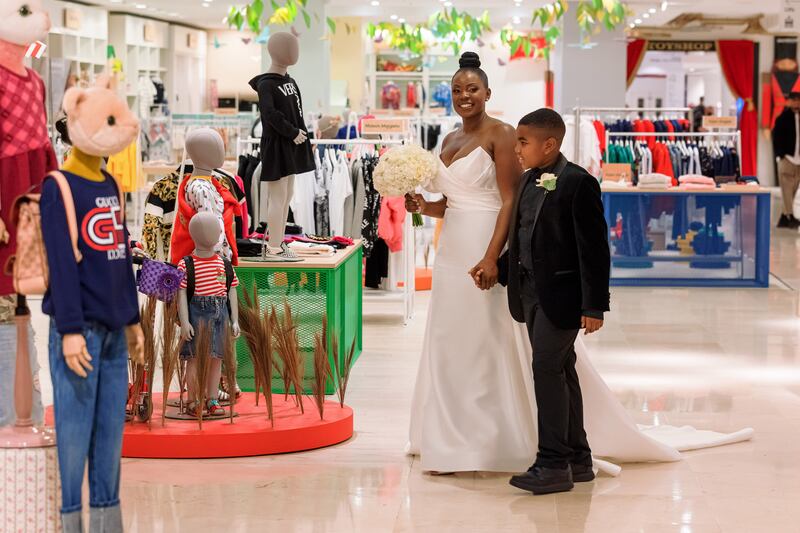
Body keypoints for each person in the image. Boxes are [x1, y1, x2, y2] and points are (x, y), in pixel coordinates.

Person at [405, 51, 754, 490]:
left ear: (489, 93)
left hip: (503, 257)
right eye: (457, 89)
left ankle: (531, 451)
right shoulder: (452, 142)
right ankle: (469, 437)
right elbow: (460, 202)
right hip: (461, 251)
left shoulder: (518, 145)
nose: (464, 96)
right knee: (460, 342)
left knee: (524, 356)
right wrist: (424, 206)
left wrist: (498, 256)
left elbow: (521, 209)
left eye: (472, 88)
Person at [500, 109, 609, 495]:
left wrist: (594, 305)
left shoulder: (579, 182)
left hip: (562, 297)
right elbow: (525, 237)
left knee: (546, 369)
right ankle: (578, 460)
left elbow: (594, 250)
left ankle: (552, 464)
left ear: (550, 144)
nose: (517, 148)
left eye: (524, 142)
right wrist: (497, 270)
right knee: (562, 370)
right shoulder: (529, 180)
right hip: (529, 293)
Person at [772, 91, 800, 229]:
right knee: (786, 190)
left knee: (793, 190)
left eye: (798, 100)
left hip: (799, 161)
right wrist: (780, 155)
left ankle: (784, 217)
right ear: (789, 101)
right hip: (787, 159)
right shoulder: (782, 118)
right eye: (793, 100)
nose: (796, 103)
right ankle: (790, 216)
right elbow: (776, 138)